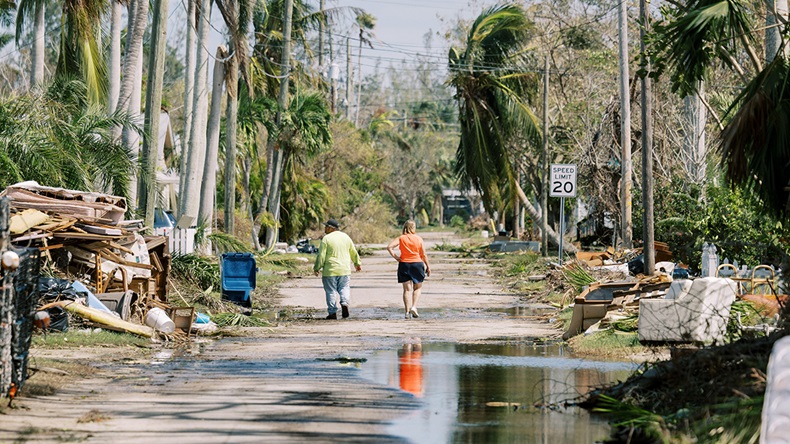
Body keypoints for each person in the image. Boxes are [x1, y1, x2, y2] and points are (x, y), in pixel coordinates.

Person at [313, 219, 362, 319]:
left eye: (326, 226)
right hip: (344, 270)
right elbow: (353, 251)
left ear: (331, 228)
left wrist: (317, 267)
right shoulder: (346, 237)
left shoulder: (326, 239)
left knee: (330, 291)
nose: (325, 228)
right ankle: (344, 303)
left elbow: (321, 255)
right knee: (344, 288)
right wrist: (357, 263)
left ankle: (332, 313)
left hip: (330, 270)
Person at [387, 220, 431, 319]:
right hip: (417, 264)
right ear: (413, 228)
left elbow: (389, 247)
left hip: (404, 264)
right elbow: (424, 254)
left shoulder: (401, 238)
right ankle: (414, 307)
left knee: (407, 290)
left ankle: (407, 312)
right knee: (418, 288)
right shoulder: (419, 239)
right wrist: (428, 266)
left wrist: (396, 257)